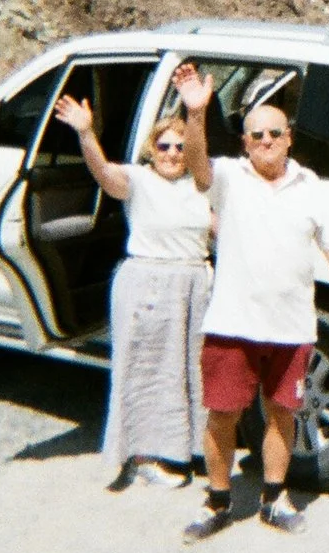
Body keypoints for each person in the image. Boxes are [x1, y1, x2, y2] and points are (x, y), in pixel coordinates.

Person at [176, 67, 329, 542]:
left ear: (289, 139)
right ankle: (217, 500)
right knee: (222, 415)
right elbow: (197, 165)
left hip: (291, 326)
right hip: (232, 324)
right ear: (245, 142)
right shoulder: (229, 177)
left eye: (274, 134)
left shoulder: (310, 185)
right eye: (257, 135)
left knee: (282, 413)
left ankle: (274, 498)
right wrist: (197, 114)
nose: (266, 141)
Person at [51, 66, 213, 493]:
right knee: (147, 372)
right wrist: (86, 134)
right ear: (150, 149)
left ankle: (185, 450)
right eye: (164, 145)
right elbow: (104, 175)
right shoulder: (138, 180)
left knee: (188, 373)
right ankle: (143, 457)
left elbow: (222, 228)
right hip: (148, 285)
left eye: (180, 146)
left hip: (194, 286)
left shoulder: (202, 186)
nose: (173, 153)